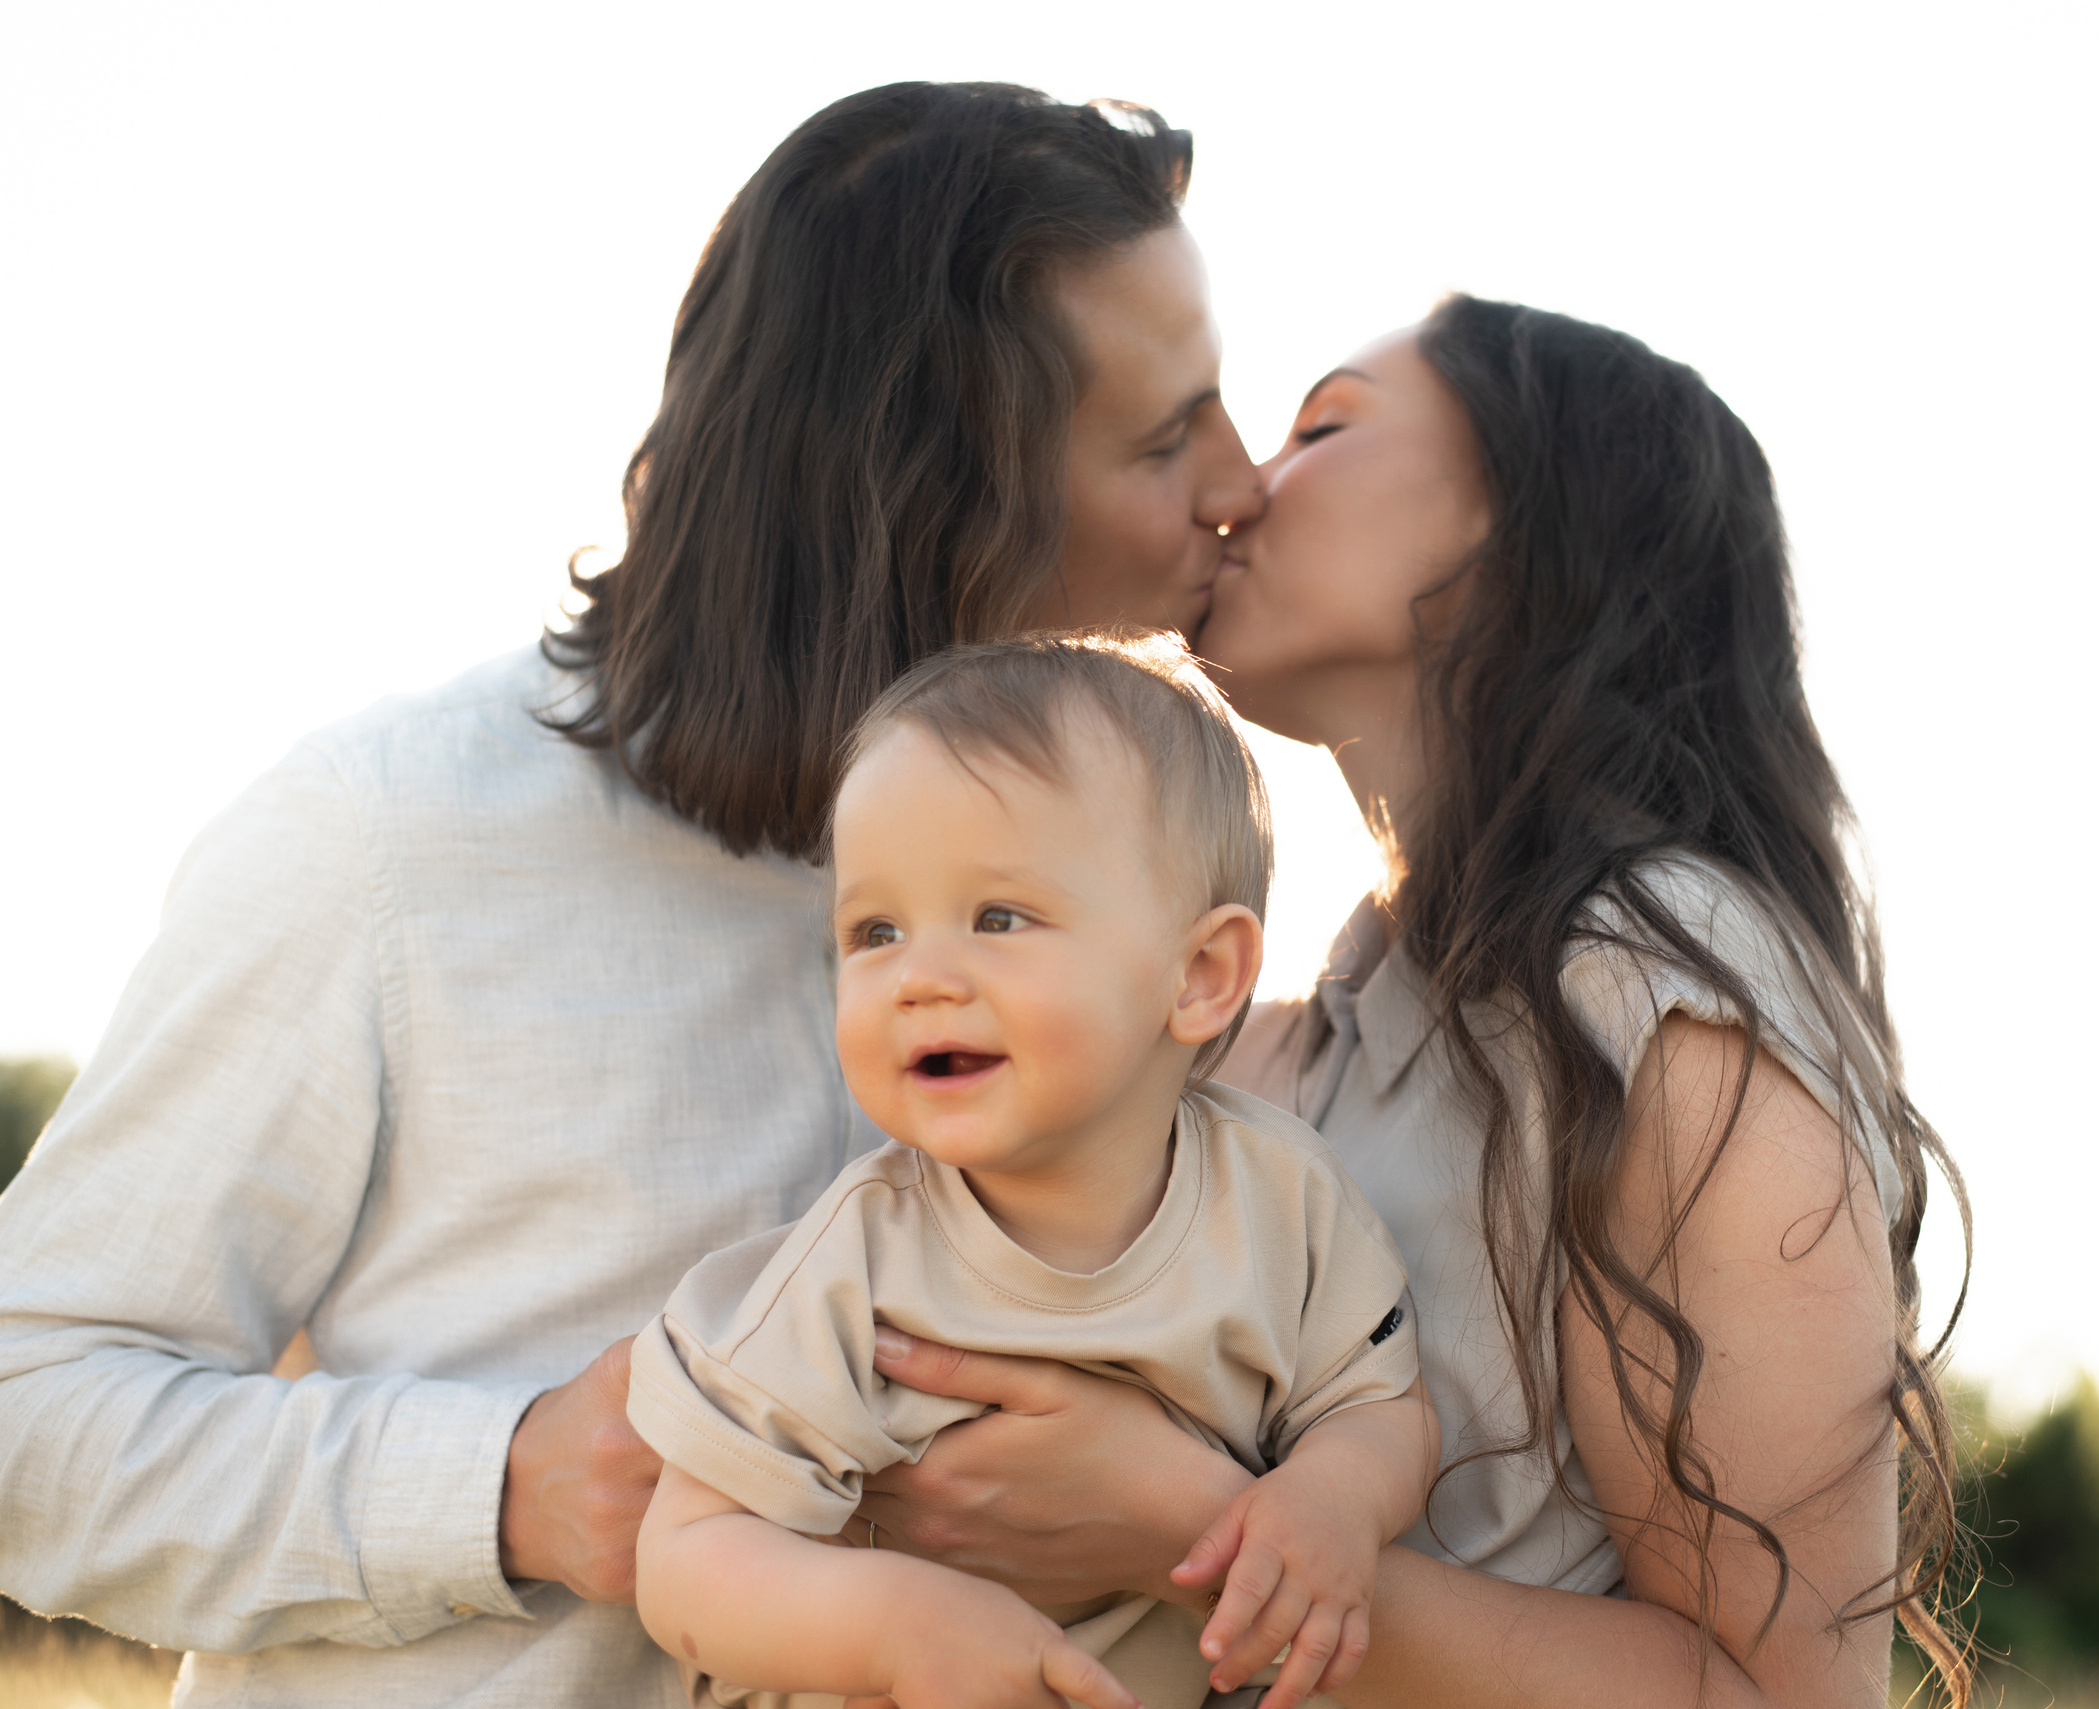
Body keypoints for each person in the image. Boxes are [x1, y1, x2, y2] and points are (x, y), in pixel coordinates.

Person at [0, 83, 1263, 1708]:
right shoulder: (392, 838)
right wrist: (512, 1482)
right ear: (936, 494)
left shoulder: (1153, 894)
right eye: (1168, 436)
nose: (1245, 477)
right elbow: (26, 1406)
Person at [830, 297, 1974, 1708]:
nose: (1239, 487)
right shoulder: (1313, 1019)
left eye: (1322, 427)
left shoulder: (1664, 989)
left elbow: (1793, 1696)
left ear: (1525, 519)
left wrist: (1181, 1528)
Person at [628, 631, 1437, 1709]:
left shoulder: (1280, 1198)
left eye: (998, 916)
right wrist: (892, 1626)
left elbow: (1380, 1406)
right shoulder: (857, 1260)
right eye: (874, 930)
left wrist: (1336, 1495)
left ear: (1198, 975)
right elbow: (683, 1556)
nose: (918, 975)